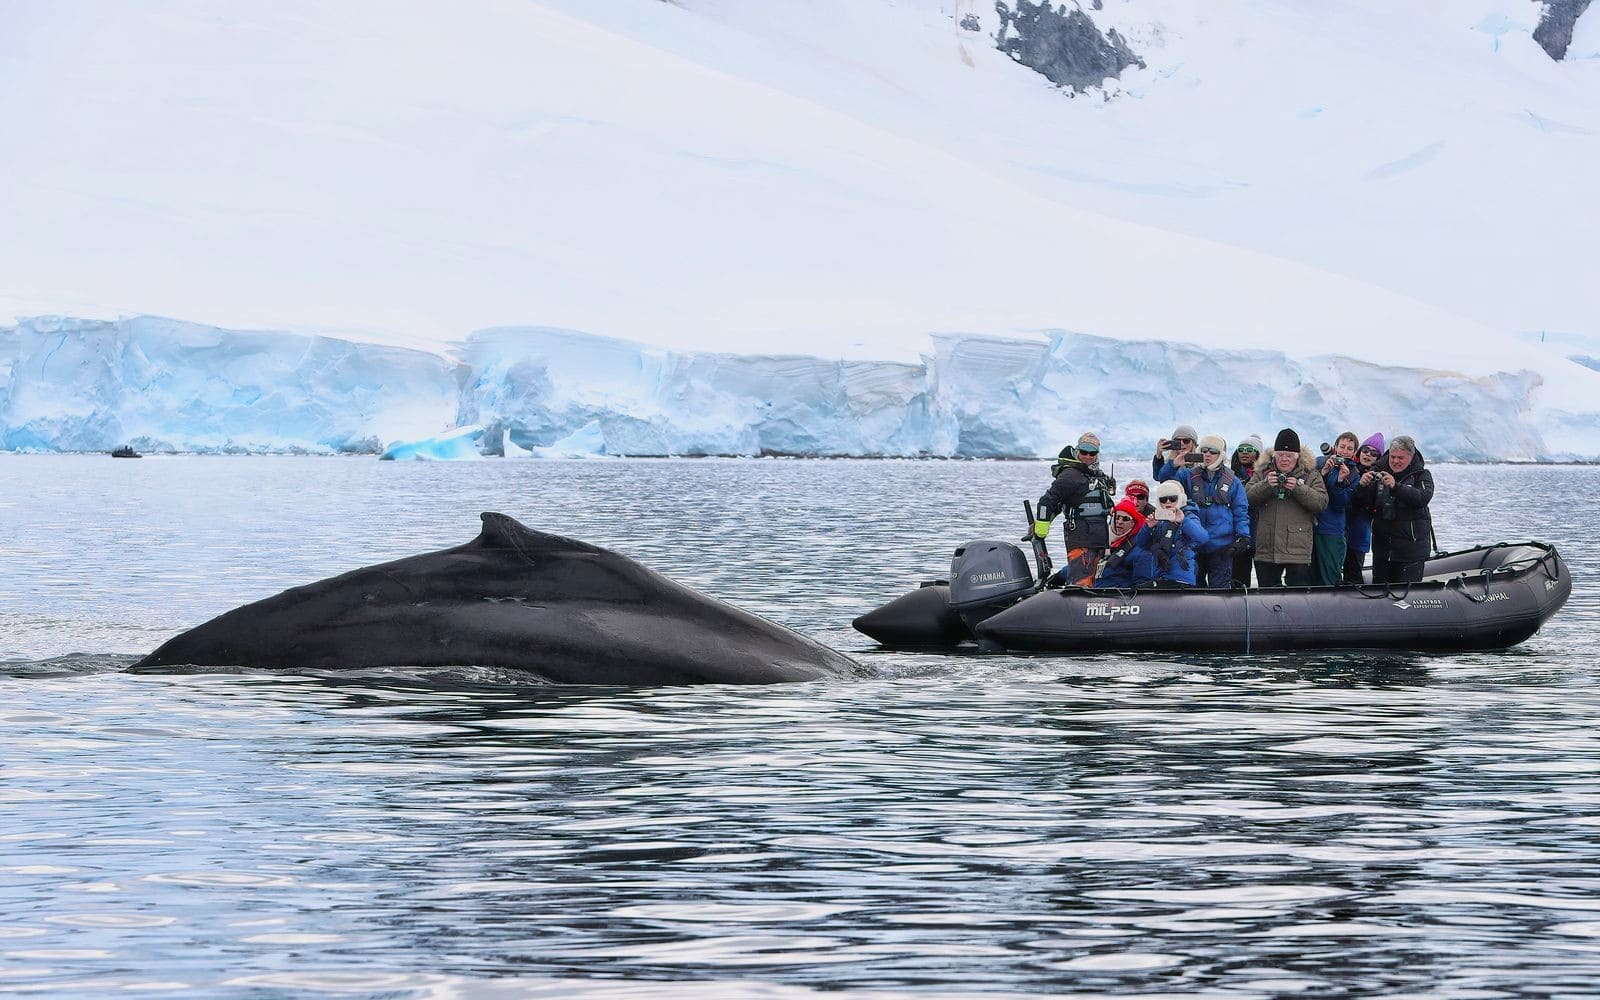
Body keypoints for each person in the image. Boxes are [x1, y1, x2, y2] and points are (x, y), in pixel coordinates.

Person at [1245, 428, 1328, 587]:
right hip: (1266, 550)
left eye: (1289, 455)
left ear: (1297, 456)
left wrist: (1298, 488)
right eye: (1280, 455)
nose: (1284, 459)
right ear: (1274, 455)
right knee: (1267, 596)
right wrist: (1266, 485)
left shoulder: (1311, 474)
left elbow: (1321, 503)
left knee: (1298, 597)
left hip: (1298, 551)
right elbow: (1246, 498)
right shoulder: (1262, 472)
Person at [1034, 432, 1117, 588]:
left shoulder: (1094, 475)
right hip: (1081, 537)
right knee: (1081, 582)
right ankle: (1074, 597)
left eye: (1092, 453)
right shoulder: (1070, 475)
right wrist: (1041, 528)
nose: (1088, 456)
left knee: (1093, 580)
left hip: (1099, 538)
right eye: (1084, 452)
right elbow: (1047, 502)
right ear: (1077, 451)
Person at [1167, 434, 1251, 587]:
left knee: (1220, 592)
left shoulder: (1233, 481)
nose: (1207, 455)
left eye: (1213, 452)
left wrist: (1243, 537)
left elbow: (1240, 511)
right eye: (1204, 450)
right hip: (1194, 546)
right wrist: (1172, 465)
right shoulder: (1188, 475)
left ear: (1221, 455)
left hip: (1222, 548)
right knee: (1194, 592)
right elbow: (1167, 484)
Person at [1354, 434, 1434, 584]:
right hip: (1383, 551)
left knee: (1407, 594)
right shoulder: (1377, 472)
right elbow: (1362, 505)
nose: (1395, 461)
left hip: (1411, 552)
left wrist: (1396, 487)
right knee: (1379, 593)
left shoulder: (1422, 475)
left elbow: (1422, 498)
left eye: (1400, 458)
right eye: (1393, 457)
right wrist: (1361, 486)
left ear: (1411, 457)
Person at [1133, 480, 1208, 588]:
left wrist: (1183, 521)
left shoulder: (1188, 516)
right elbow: (1141, 544)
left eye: (1172, 498)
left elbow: (1202, 538)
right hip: (1160, 576)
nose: (1168, 502)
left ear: (1180, 498)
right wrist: (1147, 527)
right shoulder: (1159, 520)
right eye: (1163, 499)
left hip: (1181, 577)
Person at [1311, 431, 1359, 585]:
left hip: (1332, 530)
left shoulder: (1353, 474)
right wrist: (1323, 472)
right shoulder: (1320, 462)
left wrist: (1339, 482)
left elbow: (1340, 505)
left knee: (1330, 577)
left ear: (1354, 452)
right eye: (1342, 447)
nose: (1345, 451)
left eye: (1349, 448)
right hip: (1310, 527)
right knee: (1308, 577)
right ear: (1335, 447)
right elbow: (1308, 489)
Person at [1342, 433, 1384, 583]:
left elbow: (1369, 505)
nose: (1368, 455)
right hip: (1340, 530)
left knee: (1353, 573)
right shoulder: (1348, 470)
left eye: (1374, 453)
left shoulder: (1379, 478)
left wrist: (1363, 486)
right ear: (1359, 452)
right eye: (1366, 450)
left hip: (1358, 534)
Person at [1230, 433, 1266, 587]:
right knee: (1239, 582)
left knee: (1265, 582)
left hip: (1261, 535)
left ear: (1257, 454)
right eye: (1241, 449)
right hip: (1239, 535)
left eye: (1249, 449)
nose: (1244, 453)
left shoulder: (1266, 475)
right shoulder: (1230, 476)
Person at [1094, 498, 1154, 588]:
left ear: (1133, 523)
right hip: (1093, 590)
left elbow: (1143, 585)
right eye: (1117, 517)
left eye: (1126, 519)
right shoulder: (1098, 542)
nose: (1120, 522)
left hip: (1117, 593)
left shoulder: (1141, 551)